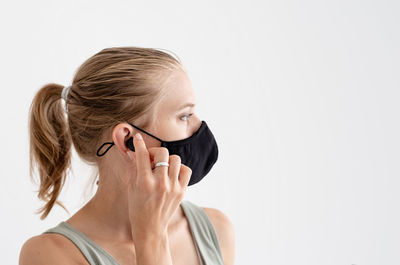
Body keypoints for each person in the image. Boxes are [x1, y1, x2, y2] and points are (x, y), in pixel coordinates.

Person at [19, 47, 235, 265]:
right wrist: (151, 235)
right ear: (127, 139)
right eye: (184, 116)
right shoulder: (49, 255)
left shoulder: (215, 229)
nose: (200, 127)